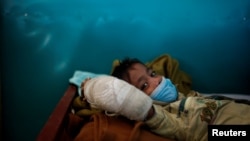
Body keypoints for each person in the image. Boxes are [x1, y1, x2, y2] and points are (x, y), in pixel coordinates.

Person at [79, 58, 250, 141]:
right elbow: (151, 115)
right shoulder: (167, 117)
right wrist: (90, 88)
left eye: (152, 74)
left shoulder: (186, 95)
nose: (157, 80)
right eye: (144, 85)